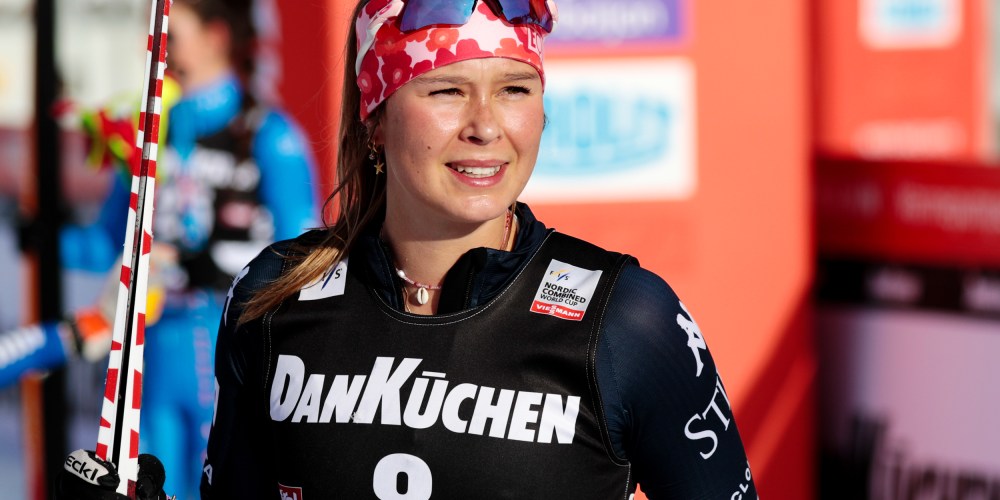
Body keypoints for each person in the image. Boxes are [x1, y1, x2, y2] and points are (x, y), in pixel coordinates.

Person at [62, 0, 757, 497]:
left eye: (515, 89)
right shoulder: (274, 298)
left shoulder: (627, 318)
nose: (486, 127)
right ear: (375, 122)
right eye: (446, 90)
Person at [53, 0, 320, 497]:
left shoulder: (268, 134)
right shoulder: (150, 132)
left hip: (230, 354)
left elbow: (305, 260)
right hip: (148, 356)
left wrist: (215, 265)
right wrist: (43, 236)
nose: (151, 49)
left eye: (168, 36)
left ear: (217, 35)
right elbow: (110, 244)